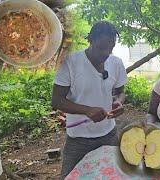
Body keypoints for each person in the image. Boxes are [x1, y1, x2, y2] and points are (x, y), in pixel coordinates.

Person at [51, 21, 127, 178]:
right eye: (101, 48)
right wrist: (87, 111)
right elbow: (57, 100)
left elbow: (121, 92)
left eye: (110, 48)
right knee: (70, 176)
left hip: (109, 135)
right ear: (90, 40)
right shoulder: (71, 63)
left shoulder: (116, 63)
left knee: (113, 174)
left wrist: (119, 102)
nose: (106, 53)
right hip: (78, 139)